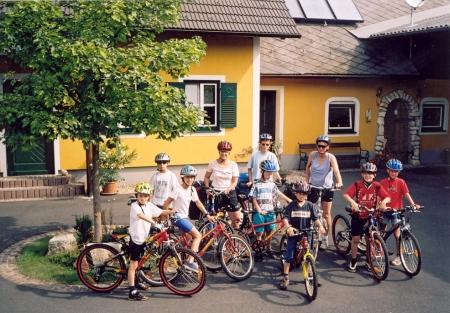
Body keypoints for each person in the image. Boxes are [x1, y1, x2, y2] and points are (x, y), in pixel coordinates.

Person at [163, 165, 215, 270]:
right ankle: (190, 262)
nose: (190, 179)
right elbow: (166, 204)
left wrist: (207, 214)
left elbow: (198, 203)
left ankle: (181, 264)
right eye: (187, 177)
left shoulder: (192, 189)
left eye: (192, 177)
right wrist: (168, 218)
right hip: (178, 217)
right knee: (198, 236)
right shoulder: (177, 189)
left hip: (184, 217)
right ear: (183, 178)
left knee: (187, 240)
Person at [342, 162, 390, 273]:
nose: (368, 175)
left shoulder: (377, 186)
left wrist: (384, 202)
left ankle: (369, 260)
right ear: (362, 174)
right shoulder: (357, 184)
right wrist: (353, 203)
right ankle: (353, 260)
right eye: (366, 173)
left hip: (371, 215)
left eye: (371, 173)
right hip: (358, 215)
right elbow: (346, 194)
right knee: (356, 239)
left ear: (374, 175)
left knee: (370, 238)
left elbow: (387, 196)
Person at [128, 182, 172, 301]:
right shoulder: (134, 206)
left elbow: (161, 212)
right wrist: (154, 222)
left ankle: (136, 282)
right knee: (134, 264)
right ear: (137, 196)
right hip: (136, 239)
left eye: (145, 196)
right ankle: (132, 290)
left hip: (143, 238)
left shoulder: (149, 205)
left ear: (149, 197)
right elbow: (141, 215)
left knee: (139, 262)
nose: (143, 198)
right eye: (140, 195)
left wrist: (173, 212)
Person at [279, 181, 326, 290]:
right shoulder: (291, 205)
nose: (302, 195)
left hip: (306, 233)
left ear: (307, 195)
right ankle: (285, 277)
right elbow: (285, 218)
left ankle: (311, 275)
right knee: (289, 255)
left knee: (309, 253)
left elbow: (315, 219)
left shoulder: (310, 205)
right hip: (294, 233)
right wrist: (288, 227)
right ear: (295, 193)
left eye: (304, 194)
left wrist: (321, 226)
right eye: (300, 193)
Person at [380, 159, 420, 266]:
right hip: (385, 211)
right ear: (388, 170)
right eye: (392, 170)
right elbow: (379, 197)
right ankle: (379, 250)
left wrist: (413, 204)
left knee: (397, 235)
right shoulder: (382, 183)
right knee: (381, 233)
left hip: (397, 212)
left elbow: (406, 194)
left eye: (396, 171)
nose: (394, 173)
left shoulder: (401, 182)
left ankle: (399, 256)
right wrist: (382, 206)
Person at [305, 135, 343, 246]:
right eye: (319, 146)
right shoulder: (312, 155)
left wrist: (339, 181)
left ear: (327, 147)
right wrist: (307, 181)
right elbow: (307, 168)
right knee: (312, 212)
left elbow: (336, 171)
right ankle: (311, 233)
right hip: (314, 187)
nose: (321, 148)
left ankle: (326, 235)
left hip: (327, 188)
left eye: (323, 146)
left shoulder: (331, 158)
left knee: (326, 214)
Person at [249, 160, 292, 258]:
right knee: (259, 232)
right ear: (262, 172)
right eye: (267, 172)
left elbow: (278, 193)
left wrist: (288, 200)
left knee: (270, 231)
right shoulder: (256, 184)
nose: (269, 174)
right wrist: (258, 209)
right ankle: (259, 249)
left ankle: (268, 248)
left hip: (270, 211)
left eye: (271, 173)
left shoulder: (272, 184)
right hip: (260, 212)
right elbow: (253, 198)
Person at [204, 140, 241, 229]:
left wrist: (228, 189)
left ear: (229, 153)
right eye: (222, 151)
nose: (224, 154)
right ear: (219, 151)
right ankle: (220, 240)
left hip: (229, 193)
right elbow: (206, 177)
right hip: (215, 193)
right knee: (218, 220)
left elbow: (234, 181)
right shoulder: (212, 163)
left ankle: (232, 237)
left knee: (236, 219)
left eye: (226, 152)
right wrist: (207, 188)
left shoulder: (233, 165)